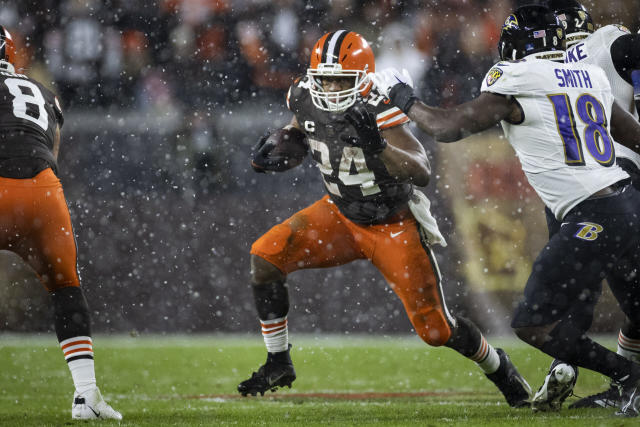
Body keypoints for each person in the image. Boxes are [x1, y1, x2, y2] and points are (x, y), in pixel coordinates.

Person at [238, 29, 532, 408]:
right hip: (340, 213)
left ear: (362, 78)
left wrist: (377, 145)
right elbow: (305, 129)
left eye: (339, 80)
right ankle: (278, 360)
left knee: (436, 329)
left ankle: (499, 367)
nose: (329, 88)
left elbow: (421, 170)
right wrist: (284, 141)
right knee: (265, 257)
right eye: (323, 79)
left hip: (392, 223)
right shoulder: (302, 95)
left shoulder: (379, 104)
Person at [371, 5, 640, 417]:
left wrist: (402, 96)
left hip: (592, 212)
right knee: (609, 304)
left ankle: (629, 378)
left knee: (535, 323)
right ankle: (608, 376)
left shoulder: (518, 77)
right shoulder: (591, 76)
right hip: (626, 204)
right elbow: (634, 135)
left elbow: (446, 127)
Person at [0, 26, 121, 420]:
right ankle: (86, 395)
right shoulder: (43, 91)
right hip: (43, 190)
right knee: (66, 288)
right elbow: (51, 150)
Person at [529, 0, 640, 411]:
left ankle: (568, 363)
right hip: (623, 184)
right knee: (636, 299)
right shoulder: (611, 41)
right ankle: (630, 385)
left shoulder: (538, 71)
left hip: (570, 190)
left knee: (578, 293)